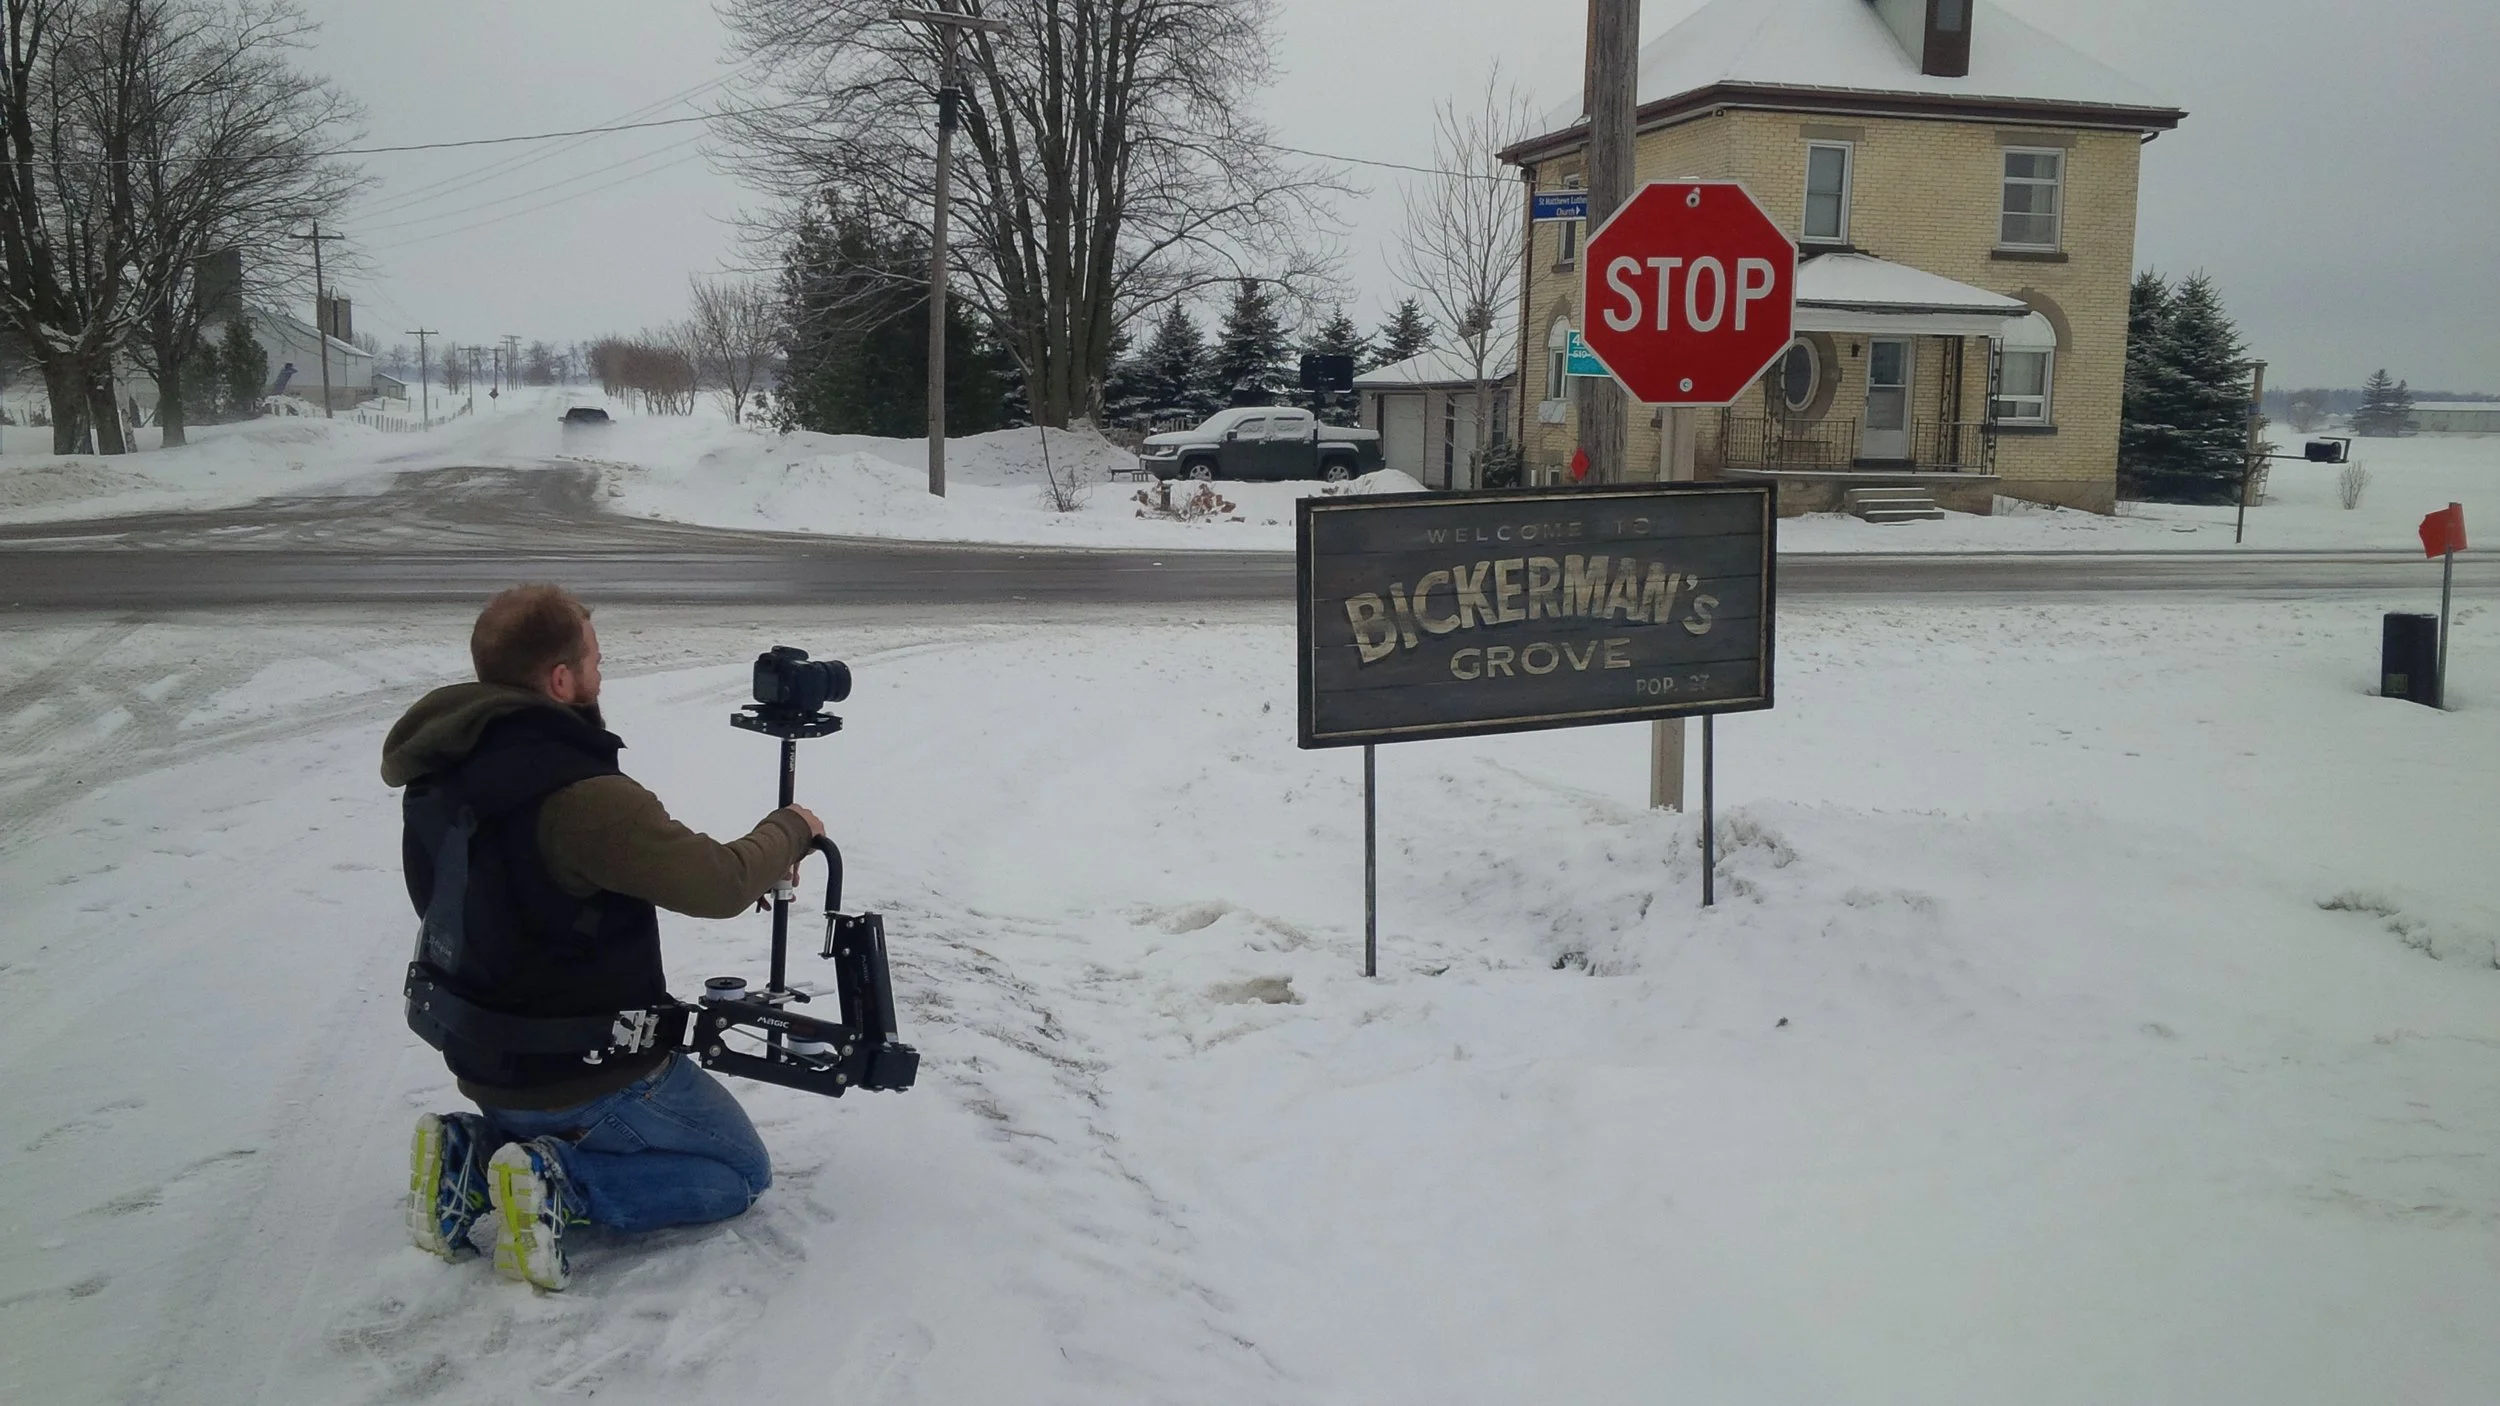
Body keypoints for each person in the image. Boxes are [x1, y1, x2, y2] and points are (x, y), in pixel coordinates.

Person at [381, 584, 823, 1290]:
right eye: (593, 661)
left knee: (545, 1091)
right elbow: (718, 883)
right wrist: (793, 829)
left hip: (485, 1061)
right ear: (561, 680)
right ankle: (562, 1188)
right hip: (588, 1074)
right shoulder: (579, 794)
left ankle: (472, 1150)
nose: (599, 674)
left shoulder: (443, 773)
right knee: (738, 1172)